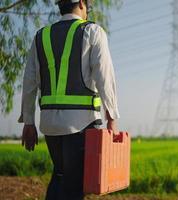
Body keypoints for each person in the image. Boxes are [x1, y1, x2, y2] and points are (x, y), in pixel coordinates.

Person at [18, 0, 120, 199]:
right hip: (82, 125)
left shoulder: (41, 36)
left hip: (50, 126)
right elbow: (105, 77)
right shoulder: (92, 31)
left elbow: (29, 80)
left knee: (61, 176)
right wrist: (112, 117)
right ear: (82, 3)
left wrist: (29, 122)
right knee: (73, 187)